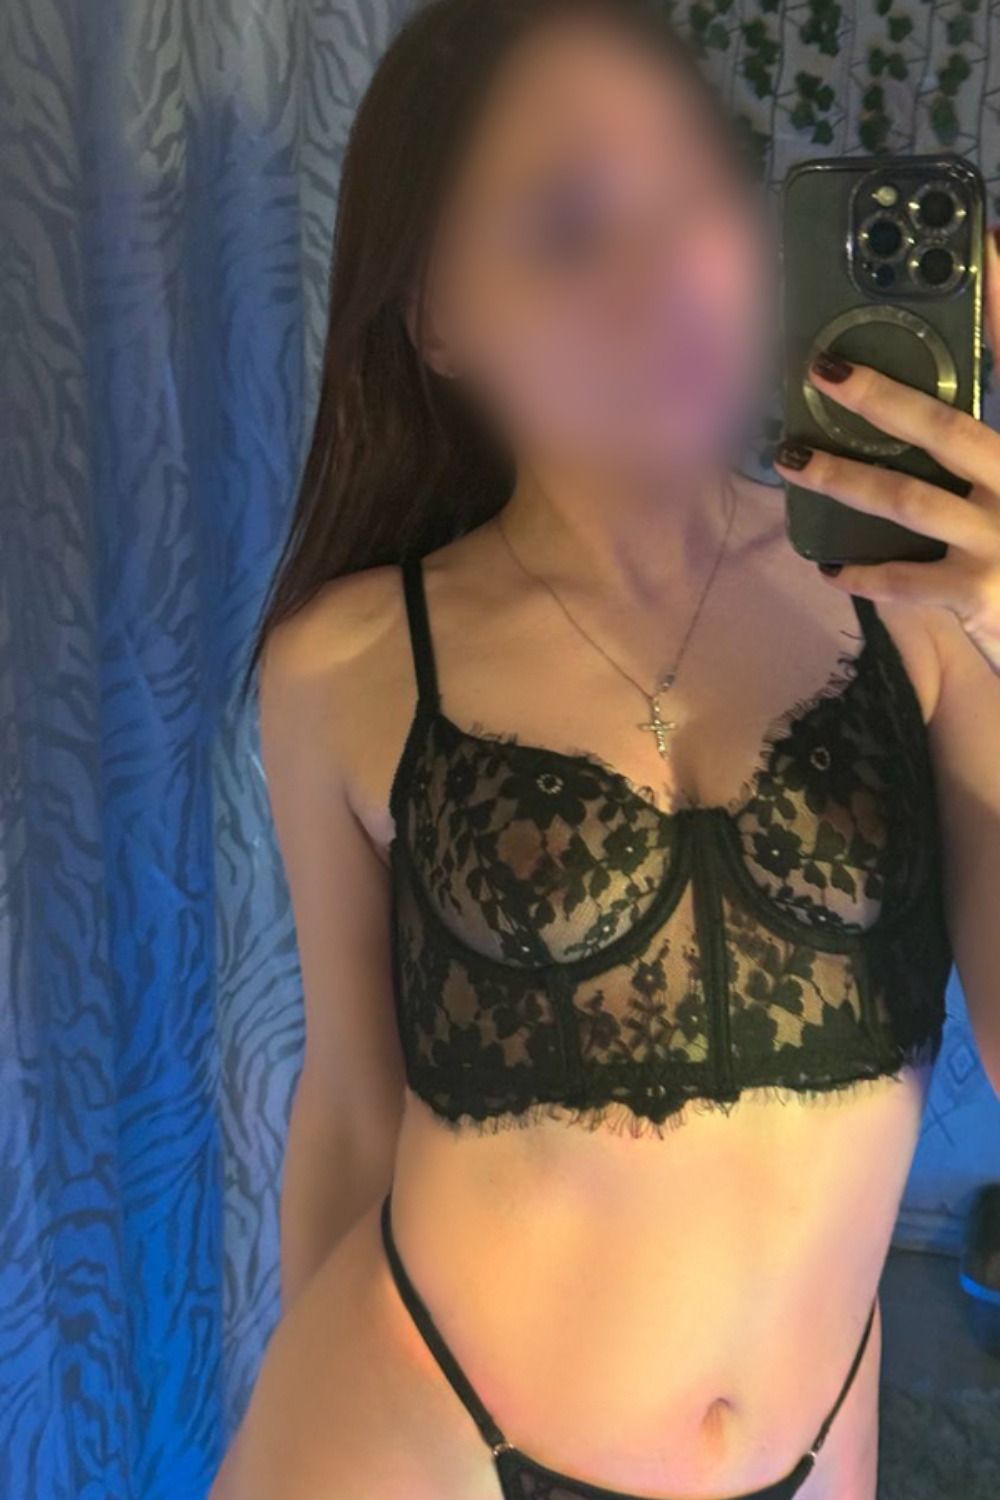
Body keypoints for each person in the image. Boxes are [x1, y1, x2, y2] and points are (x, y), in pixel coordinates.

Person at [212, 2, 1000, 1496]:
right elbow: (357, 1099)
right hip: (413, 1433)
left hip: (814, 1446)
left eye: (693, 199)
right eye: (570, 225)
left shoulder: (919, 611)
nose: (667, 271)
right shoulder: (348, 661)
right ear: (437, 318)